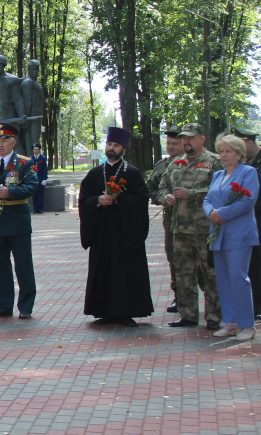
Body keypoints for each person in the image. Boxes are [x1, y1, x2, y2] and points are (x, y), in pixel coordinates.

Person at [78, 127, 154, 327]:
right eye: (109, 144)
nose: (112, 148)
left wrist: (118, 200)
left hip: (125, 234)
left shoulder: (132, 173)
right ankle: (103, 311)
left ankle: (125, 312)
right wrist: (97, 200)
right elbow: (84, 198)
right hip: (102, 233)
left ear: (124, 149)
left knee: (125, 271)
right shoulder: (94, 173)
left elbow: (141, 200)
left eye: (116, 145)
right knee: (103, 269)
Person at [157, 122, 222, 329]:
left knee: (210, 273)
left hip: (205, 230)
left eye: (190, 138)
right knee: (183, 273)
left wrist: (191, 194)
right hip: (180, 230)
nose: (186, 142)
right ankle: (188, 314)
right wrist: (166, 197)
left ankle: (214, 315)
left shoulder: (214, 162)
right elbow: (160, 189)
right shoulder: (175, 163)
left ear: (202, 139)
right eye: (184, 138)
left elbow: (219, 192)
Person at [0, 123, 38, 319]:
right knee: (0, 264)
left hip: (18, 219)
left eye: (4, 141)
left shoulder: (24, 163)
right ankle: (4, 305)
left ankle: (26, 306)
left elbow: (31, 186)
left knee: (23, 264)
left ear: (13, 142)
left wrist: (10, 192)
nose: (0, 145)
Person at [203, 134, 259, 341]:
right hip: (218, 234)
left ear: (239, 153)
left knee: (238, 278)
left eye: (229, 151)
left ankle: (247, 325)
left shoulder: (248, 172)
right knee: (224, 279)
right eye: (221, 151)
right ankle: (231, 321)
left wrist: (221, 214)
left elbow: (247, 201)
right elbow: (207, 198)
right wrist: (211, 213)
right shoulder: (218, 175)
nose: (224, 156)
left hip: (239, 234)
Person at [146, 125, 185, 313]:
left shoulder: (196, 162)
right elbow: (151, 188)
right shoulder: (162, 165)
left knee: (202, 262)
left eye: (174, 144)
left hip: (197, 220)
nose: (170, 147)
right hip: (172, 220)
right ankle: (180, 296)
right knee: (174, 258)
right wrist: (162, 199)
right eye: (168, 143)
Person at [235, 126, 261, 321]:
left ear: (250, 143)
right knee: (252, 266)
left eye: (241, 145)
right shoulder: (247, 163)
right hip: (251, 222)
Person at [30, 143, 48, 213]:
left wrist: (44, 179)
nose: (35, 151)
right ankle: (35, 208)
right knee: (34, 193)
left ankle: (40, 208)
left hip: (40, 178)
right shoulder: (31, 158)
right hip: (33, 178)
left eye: (37, 149)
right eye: (34, 150)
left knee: (40, 193)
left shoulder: (42, 158)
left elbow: (45, 169)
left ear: (39, 150)